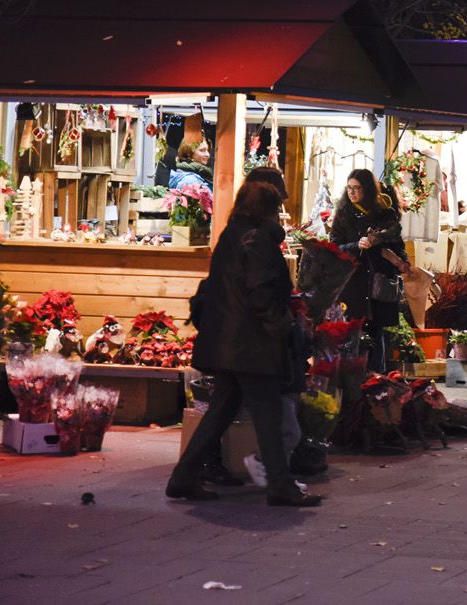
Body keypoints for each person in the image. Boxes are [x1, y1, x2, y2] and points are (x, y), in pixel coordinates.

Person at [167, 177, 321, 507]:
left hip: (229, 340)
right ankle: (279, 484)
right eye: (277, 207)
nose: (280, 214)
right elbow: (260, 292)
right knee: (267, 413)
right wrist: (283, 326)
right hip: (250, 343)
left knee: (222, 409)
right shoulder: (258, 239)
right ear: (267, 210)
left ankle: (183, 476)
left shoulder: (233, 233)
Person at [329, 169, 406, 374]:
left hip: (377, 282)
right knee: (352, 332)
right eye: (349, 188)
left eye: (357, 188)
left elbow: (399, 246)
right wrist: (357, 245)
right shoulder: (344, 214)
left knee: (376, 331)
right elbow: (335, 246)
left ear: (368, 189)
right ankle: (352, 380)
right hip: (353, 282)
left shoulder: (385, 215)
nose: (352, 192)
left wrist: (401, 262)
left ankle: (377, 381)